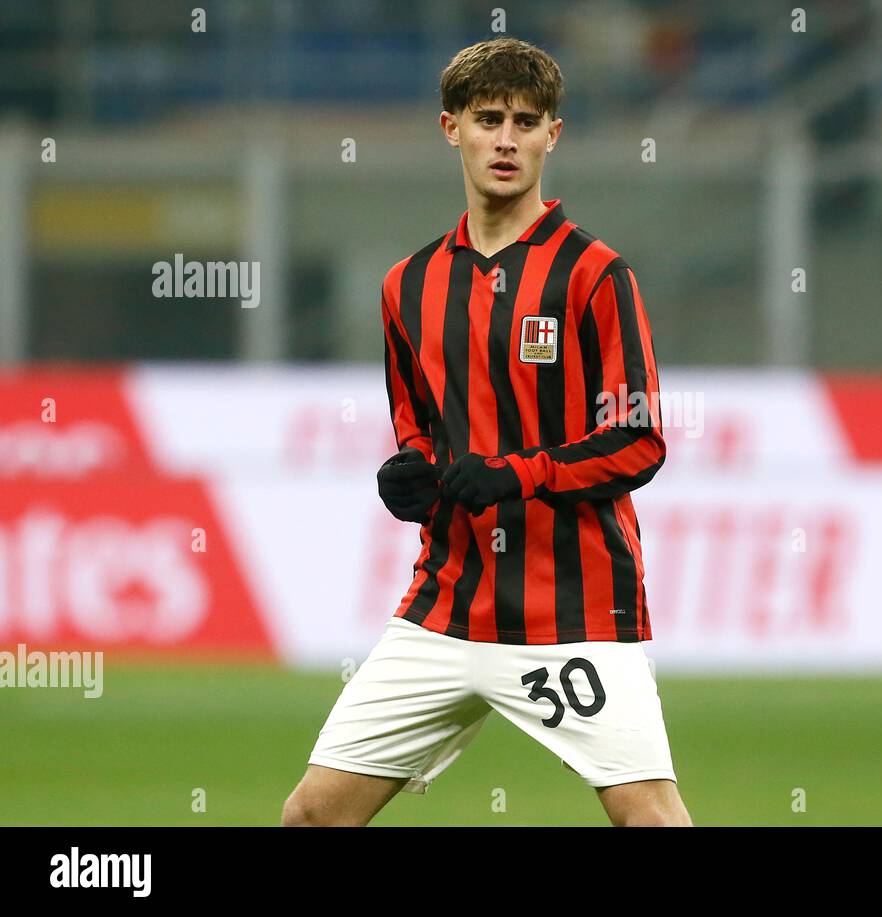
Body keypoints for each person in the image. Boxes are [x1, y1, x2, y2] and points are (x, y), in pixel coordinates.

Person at [282, 36, 690, 827]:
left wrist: (520, 472)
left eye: (525, 121)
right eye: (488, 118)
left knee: (650, 817)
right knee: (312, 815)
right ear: (451, 128)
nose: (506, 139)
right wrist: (409, 474)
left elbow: (640, 441)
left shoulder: (595, 274)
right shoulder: (409, 285)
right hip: (446, 603)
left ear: (553, 137)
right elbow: (420, 431)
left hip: (573, 609)